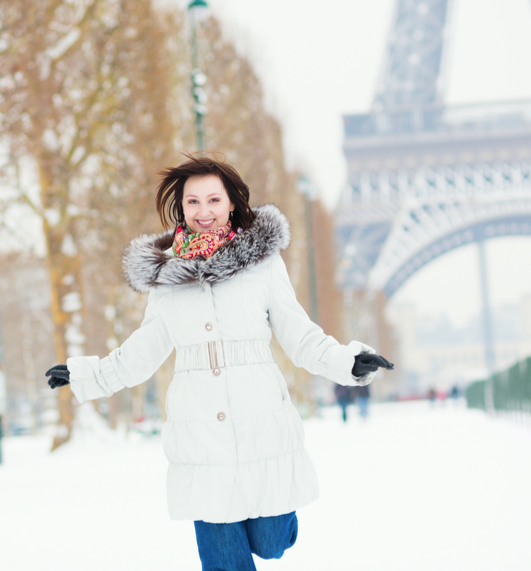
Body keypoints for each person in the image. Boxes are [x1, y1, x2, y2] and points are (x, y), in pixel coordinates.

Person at [45, 155, 393, 571]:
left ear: (232, 203)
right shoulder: (167, 277)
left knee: (270, 543)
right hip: (200, 436)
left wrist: (347, 362)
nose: (203, 211)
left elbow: (299, 334)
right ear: (181, 208)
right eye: (193, 202)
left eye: (213, 199)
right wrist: (88, 374)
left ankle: (278, 522)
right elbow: (144, 349)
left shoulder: (263, 262)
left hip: (260, 422)